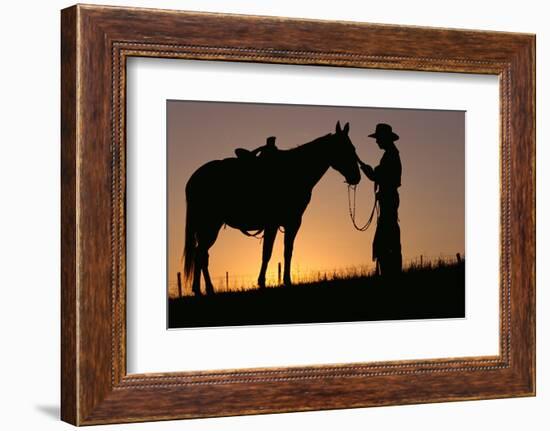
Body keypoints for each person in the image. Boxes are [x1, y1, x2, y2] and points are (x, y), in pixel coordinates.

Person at [358, 123, 402, 277]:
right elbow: (380, 176)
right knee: (388, 236)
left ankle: (389, 274)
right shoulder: (391, 155)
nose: (377, 141)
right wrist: (370, 172)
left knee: (385, 238)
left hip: (388, 199)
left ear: (385, 139)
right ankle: (389, 272)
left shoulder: (390, 156)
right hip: (388, 199)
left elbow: (382, 177)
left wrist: (370, 172)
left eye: (378, 138)